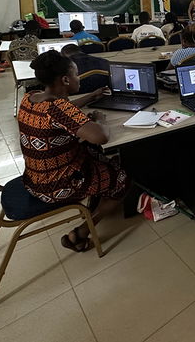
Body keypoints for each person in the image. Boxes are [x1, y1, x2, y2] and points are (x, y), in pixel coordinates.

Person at [17, 50, 128, 253]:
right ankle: (84, 230)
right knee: (122, 177)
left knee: (97, 154)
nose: (79, 78)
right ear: (66, 80)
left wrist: (91, 96)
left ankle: (96, 193)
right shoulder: (58, 109)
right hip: (57, 186)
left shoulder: (30, 97)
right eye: (77, 74)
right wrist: (100, 120)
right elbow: (101, 137)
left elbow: (62, 110)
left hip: (33, 179)